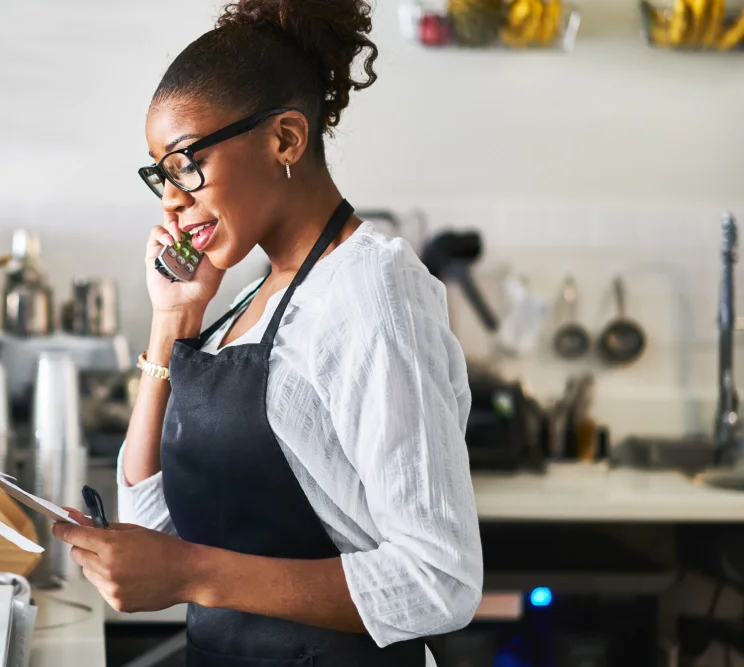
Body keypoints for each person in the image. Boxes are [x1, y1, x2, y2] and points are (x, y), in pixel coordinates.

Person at [51, 0, 483, 664]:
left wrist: (193, 572)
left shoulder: (373, 291)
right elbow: (151, 525)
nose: (170, 198)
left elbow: (439, 579)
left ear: (285, 138)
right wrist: (172, 320)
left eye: (186, 163)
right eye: (160, 175)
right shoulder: (251, 296)